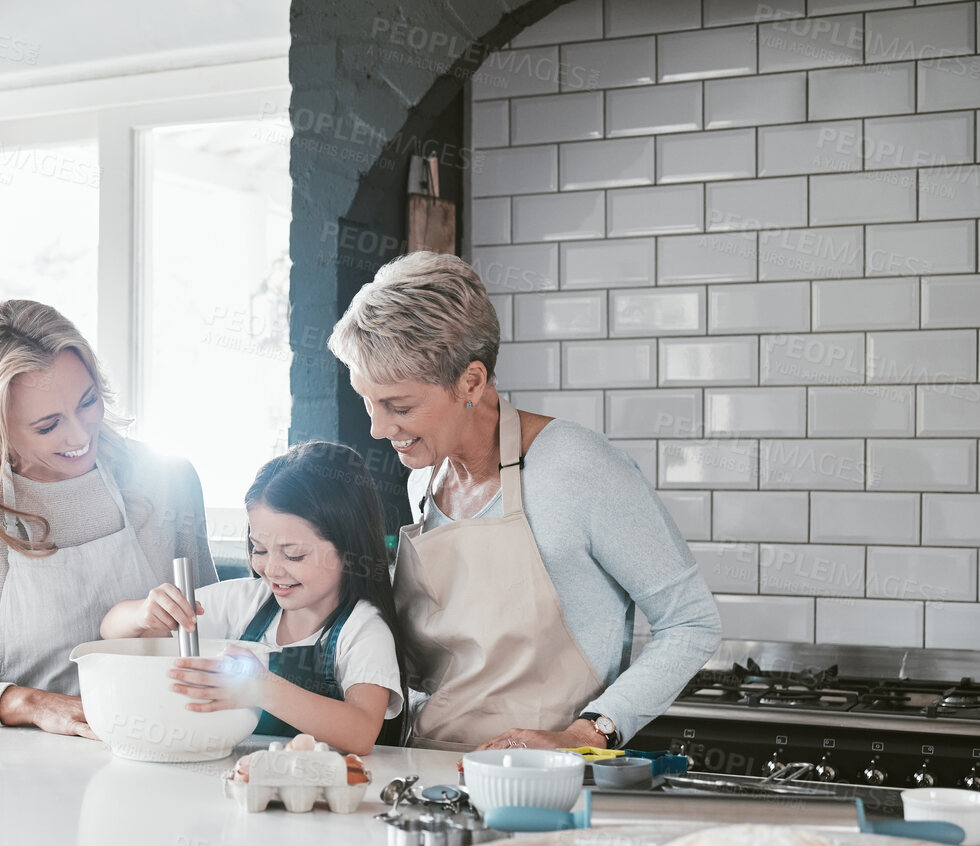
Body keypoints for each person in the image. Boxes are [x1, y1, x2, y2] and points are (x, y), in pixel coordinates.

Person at [327, 251, 722, 753]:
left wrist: (588, 732)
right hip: (428, 771)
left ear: (470, 381)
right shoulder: (423, 482)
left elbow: (691, 622)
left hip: (549, 784)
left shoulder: (577, 468)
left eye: (399, 407)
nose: (378, 429)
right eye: (368, 401)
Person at [0, 299, 215, 734]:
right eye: (47, 425)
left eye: (88, 401)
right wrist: (28, 704)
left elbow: (219, 635)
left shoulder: (165, 481)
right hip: (6, 778)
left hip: (154, 747)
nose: (80, 435)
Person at [101, 442, 405, 755]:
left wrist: (261, 688)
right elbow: (113, 631)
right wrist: (143, 613)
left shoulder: (363, 628)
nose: (271, 569)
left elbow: (361, 733)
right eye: (259, 549)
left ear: (350, 552)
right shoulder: (245, 601)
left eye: (293, 554)